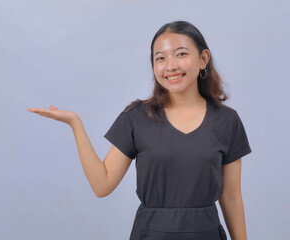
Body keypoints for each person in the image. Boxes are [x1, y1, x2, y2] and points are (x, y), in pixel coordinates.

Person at [28, 20, 252, 240]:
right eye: (160, 58)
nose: (170, 65)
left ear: (203, 59)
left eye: (181, 54)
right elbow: (102, 185)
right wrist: (75, 124)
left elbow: (231, 197)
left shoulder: (226, 121)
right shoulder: (137, 118)